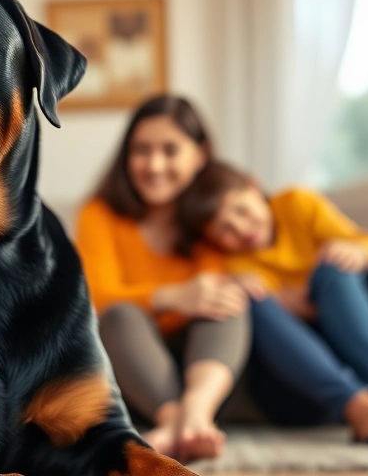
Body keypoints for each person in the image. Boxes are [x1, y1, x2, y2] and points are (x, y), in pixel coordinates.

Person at [182, 160, 368, 446]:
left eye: (242, 211)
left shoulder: (296, 203)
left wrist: (356, 252)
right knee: (250, 296)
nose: (242, 230)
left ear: (254, 187)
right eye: (225, 230)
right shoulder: (228, 262)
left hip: (347, 327)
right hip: (305, 374)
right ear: (211, 238)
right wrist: (278, 299)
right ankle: (366, 405)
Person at [75, 96, 250, 462]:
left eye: (170, 150)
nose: (154, 165)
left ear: (200, 154)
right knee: (120, 314)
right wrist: (172, 296)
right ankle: (175, 418)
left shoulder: (216, 217)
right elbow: (98, 297)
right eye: (142, 150)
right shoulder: (100, 214)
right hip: (133, 369)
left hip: (205, 366)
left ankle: (195, 413)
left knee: (228, 299)